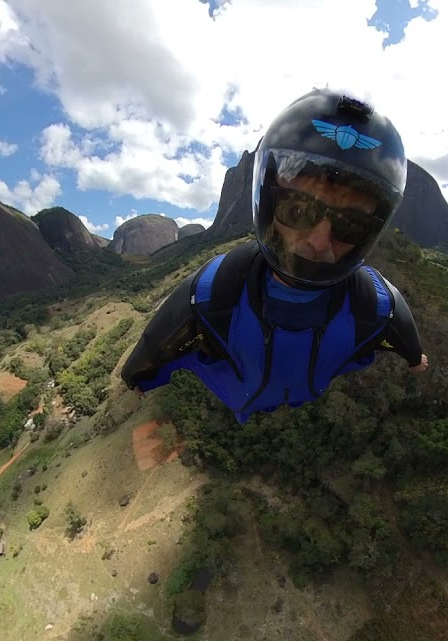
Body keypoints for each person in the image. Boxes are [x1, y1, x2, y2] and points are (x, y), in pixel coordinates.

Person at [119, 88, 429, 424]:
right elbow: (162, 333)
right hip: (251, 392)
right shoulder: (216, 291)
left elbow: (401, 325)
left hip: (263, 386)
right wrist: (136, 373)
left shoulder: (371, 303)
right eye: (297, 210)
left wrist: (413, 356)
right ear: (267, 204)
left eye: (351, 224)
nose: (319, 242)